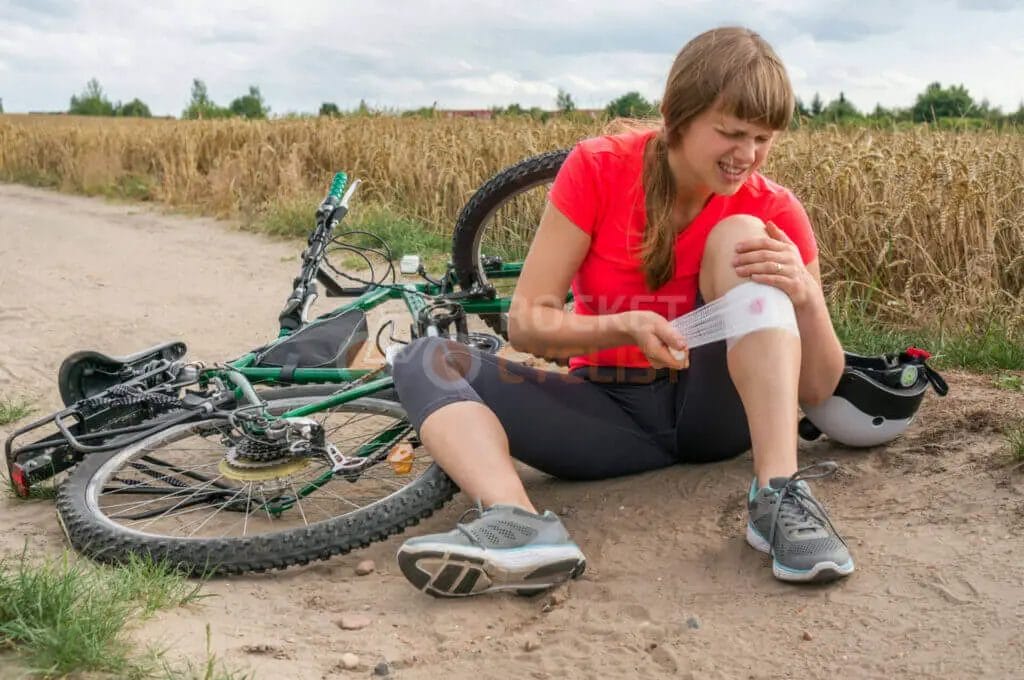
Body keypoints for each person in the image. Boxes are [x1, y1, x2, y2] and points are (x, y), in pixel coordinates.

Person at [390, 26, 853, 597]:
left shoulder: (773, 208)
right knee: (422, 359)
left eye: (763, 137)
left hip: (717, 409)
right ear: (676, 116)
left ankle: (778, 493)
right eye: (731, 133)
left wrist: (805, 297)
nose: (748, 156)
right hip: (609, 411)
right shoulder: (599, 169)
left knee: (741, 233)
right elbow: (529, 322)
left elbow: (819, 386)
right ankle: (518, 527)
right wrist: (621, 327)